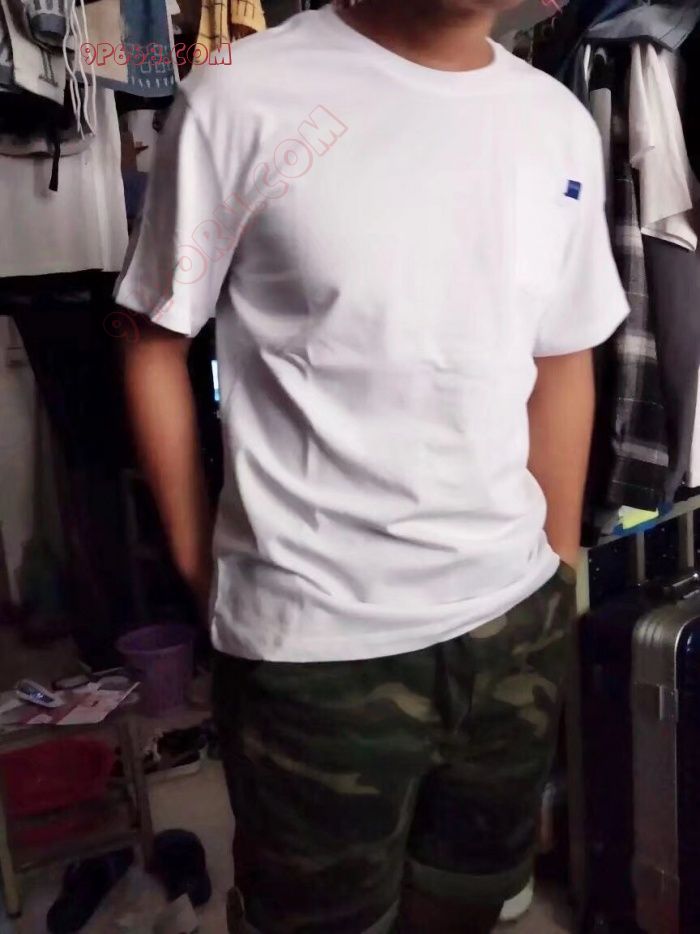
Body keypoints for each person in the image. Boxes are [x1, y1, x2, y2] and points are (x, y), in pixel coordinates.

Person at [116, 0, 629, 931]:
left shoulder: (555, 121)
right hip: (315, 651)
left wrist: (555, 571)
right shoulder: (241, 96)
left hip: (512, 625)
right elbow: (155, 338)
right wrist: (203, 569)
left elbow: (563, 358)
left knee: (465, 905)